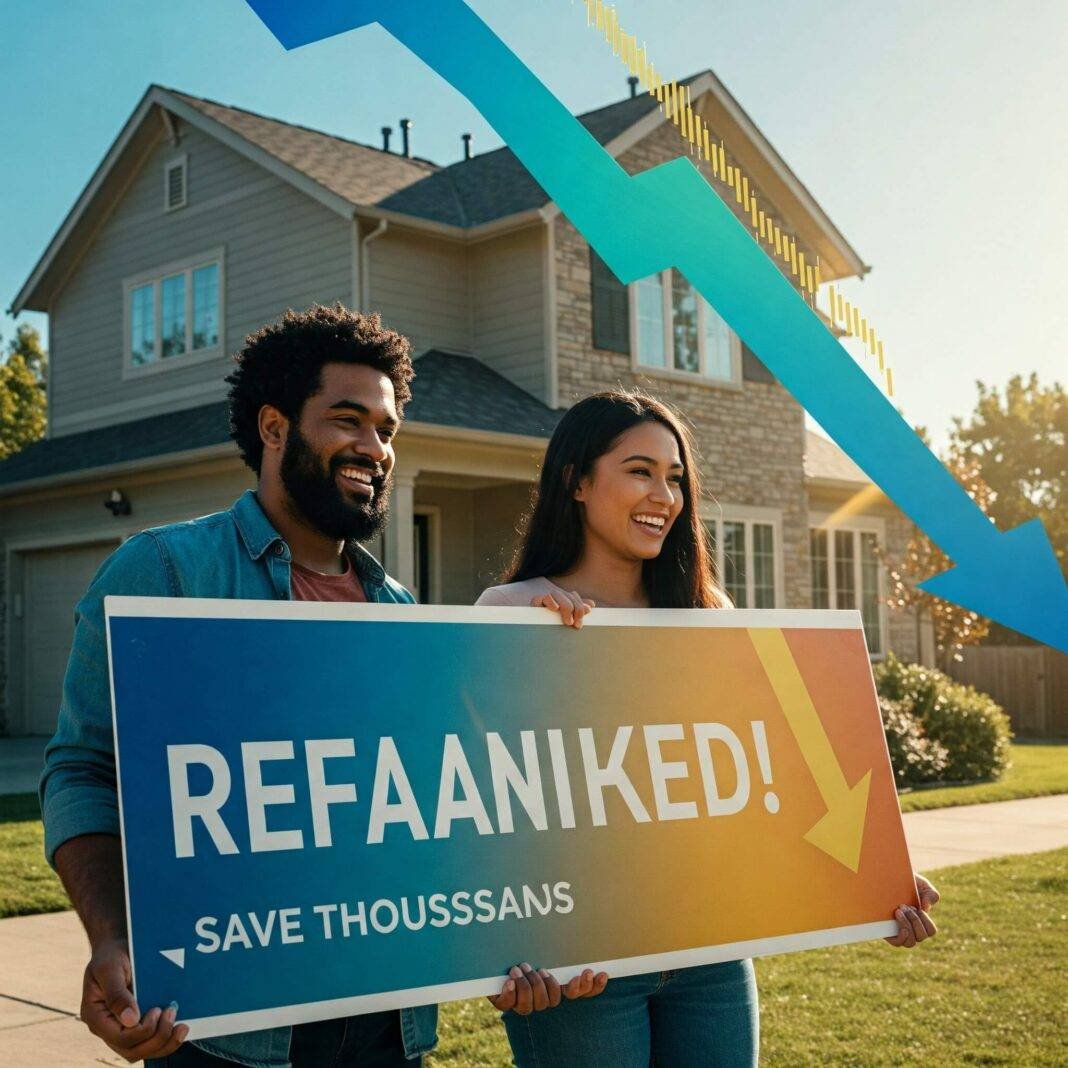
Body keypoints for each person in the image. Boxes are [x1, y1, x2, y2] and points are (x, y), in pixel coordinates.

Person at [38, 304, 577, 1067]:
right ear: (273, 427)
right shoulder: (165, 575)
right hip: (223, 1029)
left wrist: (502, 940)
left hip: (389, 1027)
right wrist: (113, 940)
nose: (374, 447)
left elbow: (432, 800)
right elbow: (84, 770)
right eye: (348, 420)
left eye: (387, 430)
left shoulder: (399, 613)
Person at [477, 389, 940, 1067]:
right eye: (640, 471)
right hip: (583, 965)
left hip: (711, 960)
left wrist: (878, 884)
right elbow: (482, 803)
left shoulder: (709, 611)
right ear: (576, 481)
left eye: (675, 478)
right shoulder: (510, 609)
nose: (663, 495)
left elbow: (769, 774)